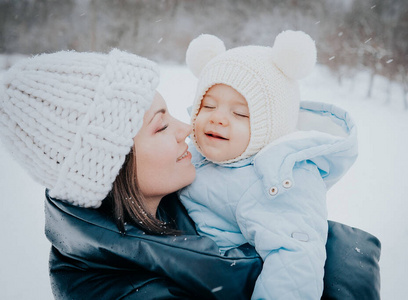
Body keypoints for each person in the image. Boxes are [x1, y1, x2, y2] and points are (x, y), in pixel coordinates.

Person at [0, 49, 381, 300]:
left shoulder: (170, 203)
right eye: (161, 126)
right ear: (112, 164)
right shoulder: (118, 289)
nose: (187, 128)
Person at [179, 31, 357, 299]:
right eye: (208, 105)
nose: (218, 119)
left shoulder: (280, 180)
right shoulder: (193, 152)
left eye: (240, 113)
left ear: (272, 125)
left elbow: (295, 262)